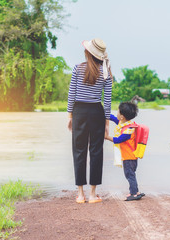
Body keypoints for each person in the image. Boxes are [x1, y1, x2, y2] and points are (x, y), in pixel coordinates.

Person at [67, 38, 113, 204]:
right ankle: (93, 194)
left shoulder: (78, 69)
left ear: (88, 52)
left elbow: (72, 94)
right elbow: (107, 100)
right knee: (96, 152)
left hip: (79, 111)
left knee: (79, 151)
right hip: (96, 112)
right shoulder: (106, 71)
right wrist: (106, 122)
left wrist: (70, 116)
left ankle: (80, 194)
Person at [105, 102, 145, 201]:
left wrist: (106, 137)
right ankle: (136, 191)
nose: (116, 113)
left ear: (122, 117)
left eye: (118, 111)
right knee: (131, 174)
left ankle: (134, 193)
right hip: (130, 156)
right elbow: (114, 118)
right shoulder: (127, 124)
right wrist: (104, 114)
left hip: (129, 157)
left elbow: (118, 140)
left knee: (129, 175)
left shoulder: (129, 129)